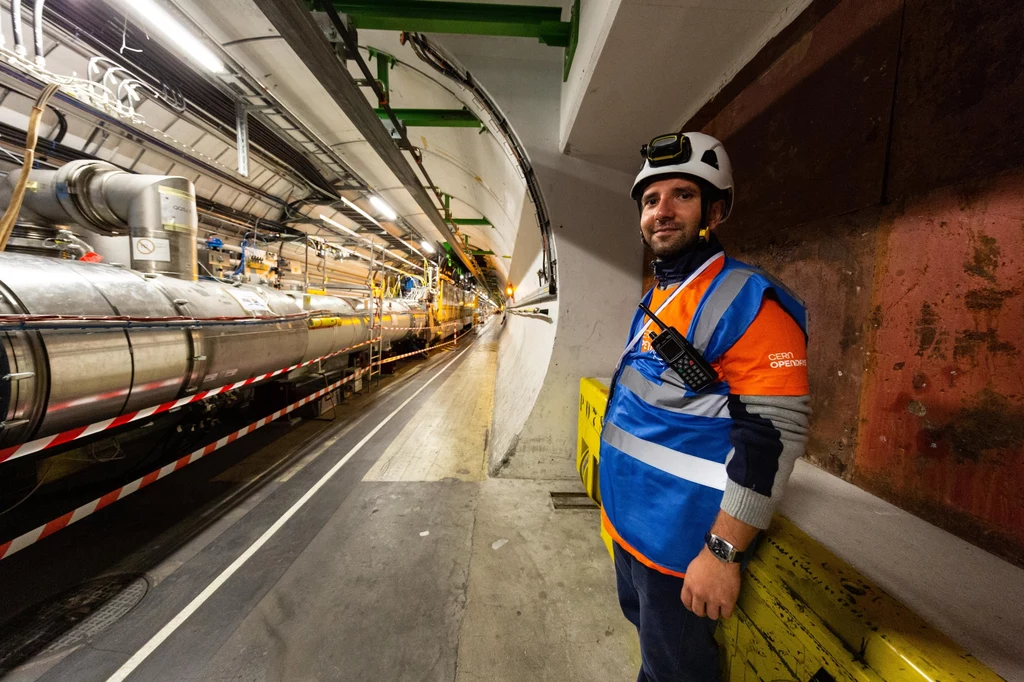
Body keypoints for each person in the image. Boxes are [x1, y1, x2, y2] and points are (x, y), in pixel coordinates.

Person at [599, 132, 811, 681]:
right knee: (652, 655)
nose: (662, 212)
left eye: (682, 196)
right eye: (650, 200)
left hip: (682, 545)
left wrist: (721, 553)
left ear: (714, 210)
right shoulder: (661, 294)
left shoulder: (746, 300)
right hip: (630, 529)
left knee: (676, 672)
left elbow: (773, 437)